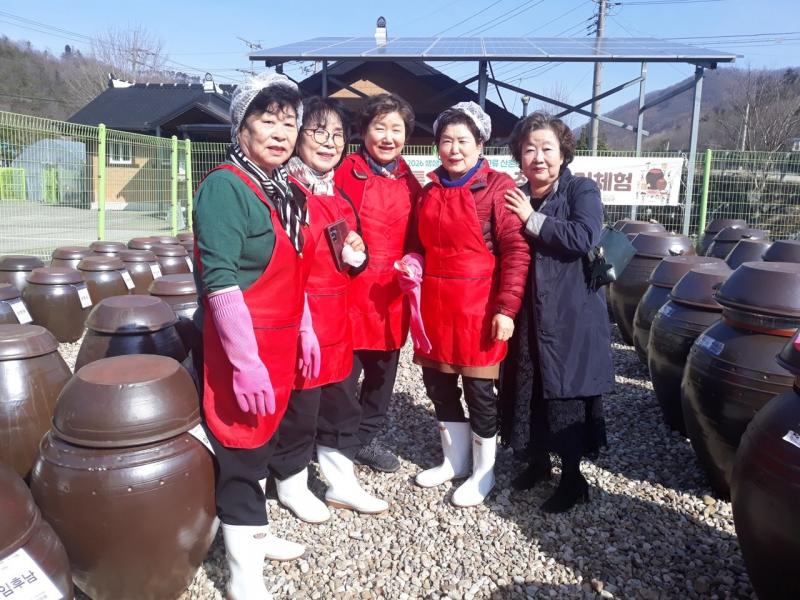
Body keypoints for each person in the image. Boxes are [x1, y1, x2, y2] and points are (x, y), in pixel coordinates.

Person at [192, 72, 319, 600]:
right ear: (240, 128)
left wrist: (306, 329)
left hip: (282, 342)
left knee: (265, 444)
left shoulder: (288, 189)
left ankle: (256, 535)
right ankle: (244, 575)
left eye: (290, 122)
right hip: (242, 347)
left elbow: (298, 270)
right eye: (267, 120)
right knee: (242, 451)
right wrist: (245, 363)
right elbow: (219, 282)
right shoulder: (225, 187)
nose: (281, 132)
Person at [399, 101, 530, 507]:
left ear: (480, 143)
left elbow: (516, 252)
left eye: (463, 140)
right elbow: (418, 244)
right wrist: (412, 262)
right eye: (446, 141)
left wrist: (506, 309)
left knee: (479, 390)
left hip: (479, 307)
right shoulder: (429, 189)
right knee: (438, 385)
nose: (454, 149)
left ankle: (483, 471)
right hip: (436, 307)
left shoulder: (499, 188)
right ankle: (453, 460)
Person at [269, 96, 389, 520]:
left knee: (341, 402)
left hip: (338, 316)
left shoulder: (338, 195)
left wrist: (359, 253)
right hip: (299, 317)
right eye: (319, 132)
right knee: (301, 407)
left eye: (337, 134)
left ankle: (341, 481)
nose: (329, 142)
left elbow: (350, 258)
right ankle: (292, 483)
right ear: (299, 136)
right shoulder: (284, 191)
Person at [500, 111, 613, 513]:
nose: (538, 157)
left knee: (565, 393)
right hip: (528, 312)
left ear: (563, 152)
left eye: (547, 148)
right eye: (529, 149)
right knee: (528, 388)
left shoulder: (581, 190)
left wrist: (533, 220)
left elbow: (585, 236)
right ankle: (537, 462)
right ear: (519, 155)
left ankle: (572, 478)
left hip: (569, 313)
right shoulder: (515, 194)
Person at [334, 93, 422, 473]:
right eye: (379, 127)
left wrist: (415, 261)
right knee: (342, 374)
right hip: (350, 289)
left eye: (396, 129)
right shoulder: (343, 173)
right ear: (364, 131)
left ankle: (364, 440)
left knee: (383, 373)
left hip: (391, 294)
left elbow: (420, 238)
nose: (388, 137)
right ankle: (335, 442)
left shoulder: (410, 181)